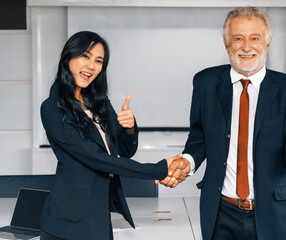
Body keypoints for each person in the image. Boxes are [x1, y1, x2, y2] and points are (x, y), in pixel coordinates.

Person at [158, 7, 286, 240]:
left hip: (274, 214)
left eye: (255, 38)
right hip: (220, 214)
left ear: (267, 43)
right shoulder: (205, 83)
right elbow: (199, 137)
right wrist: (187, 161)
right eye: (238, 39)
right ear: (227, 45)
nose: (246, 47)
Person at [39, 31, 183, 240]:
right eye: (85, 56)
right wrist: (159, 169)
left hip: (99, 214)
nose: (91, 66)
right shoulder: (52, 108)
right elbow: (97, 159)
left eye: (99, 61)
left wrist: (130, 127)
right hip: (66, 222)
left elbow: (124, 151)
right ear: (68, 57)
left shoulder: (100, 103)